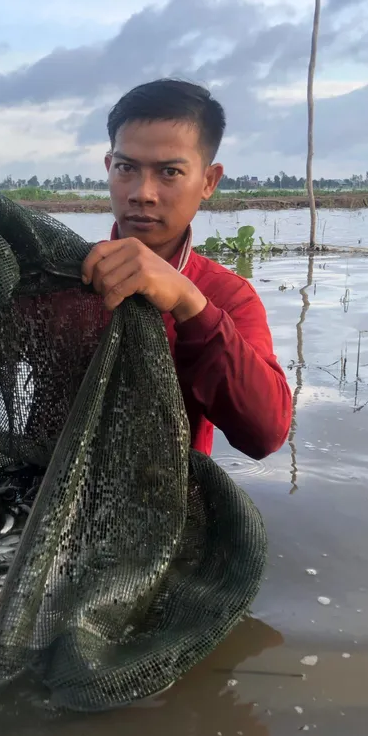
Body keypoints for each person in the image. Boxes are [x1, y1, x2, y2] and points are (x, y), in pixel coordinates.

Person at [79, 78, 291, 461]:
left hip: (170, 509)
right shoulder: (68, 276)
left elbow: (266, 433)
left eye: (170, 172)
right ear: (109, 167)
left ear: (209, 181)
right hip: (42, 498)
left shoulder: (226, 297)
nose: (142, 192)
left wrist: (189, 302)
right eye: (127, 167)